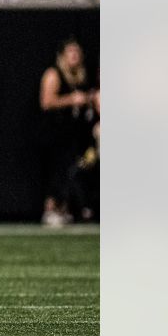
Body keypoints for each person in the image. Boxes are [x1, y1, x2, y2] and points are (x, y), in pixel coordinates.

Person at [39, 38, 98, 226]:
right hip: (54, 131)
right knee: (56, 171)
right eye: (70, 52)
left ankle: (64, 208)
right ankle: (50, 209)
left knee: (70, 171)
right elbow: (47, 102)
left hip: (71, 133)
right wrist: (72, 100)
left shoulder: (80, 77)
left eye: (77, 52)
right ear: (63, 56)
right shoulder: (54, 74)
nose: (74, 56)